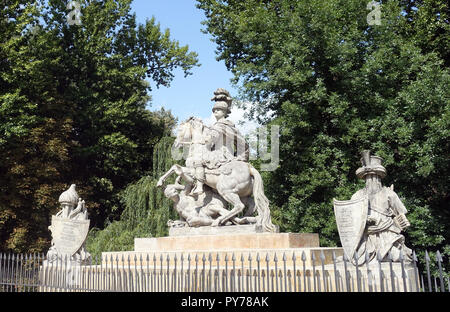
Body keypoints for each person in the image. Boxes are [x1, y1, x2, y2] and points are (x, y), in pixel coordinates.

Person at [351, 151, 412, 264]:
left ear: (380, 177)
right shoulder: (357, 195)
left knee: (398, 257)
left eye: (375, 176)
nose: (372, 179)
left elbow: (402, 216)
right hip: (366, 236)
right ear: (365, 178)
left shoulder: (389, 194)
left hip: (388, 234)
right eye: (369, 176)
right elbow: (352, 218)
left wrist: (399, 223)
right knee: (358, 257)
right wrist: (365, 220)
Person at [190, 88, 249, 195]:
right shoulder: (226, 126)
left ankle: (199, 187)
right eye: (214, 110)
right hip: (226, 155)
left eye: (218, 110)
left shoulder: (220, 126)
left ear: (225, 112)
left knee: (197, 161)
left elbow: (211, 139)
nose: (215, 111)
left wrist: (202, 138)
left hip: (221, 156)